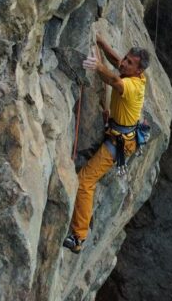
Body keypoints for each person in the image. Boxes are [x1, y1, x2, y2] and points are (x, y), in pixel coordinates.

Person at [63, 35, 150, 253]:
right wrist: (102, 44)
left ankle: (78, 237)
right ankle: (83, 224)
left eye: (130, 63)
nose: (124, 63)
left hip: (119, 143)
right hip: (119, 132)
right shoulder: (137, 75)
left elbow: (113, 80)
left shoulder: (130, 86)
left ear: (138, 71)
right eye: (127, 59)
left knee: (85, 181)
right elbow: (117, 62)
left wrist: (98, 66)